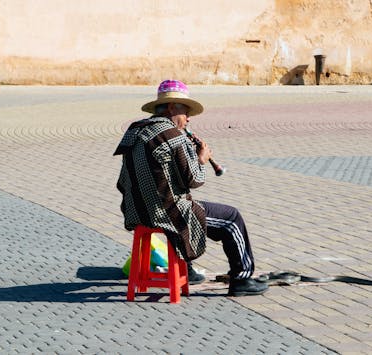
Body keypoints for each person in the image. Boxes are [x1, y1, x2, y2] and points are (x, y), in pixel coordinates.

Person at [114, 79, 268, 296]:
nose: (188, 118)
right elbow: (193, 180)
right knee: (231, 218)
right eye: (186, 111)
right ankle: (242, 279)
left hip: (136, 211)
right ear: (171, 108)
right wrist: (201, 158)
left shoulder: (134, 130)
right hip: (164, 214)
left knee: (165, 199)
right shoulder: (172, 135)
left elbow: (123, 181)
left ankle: (186, 269)